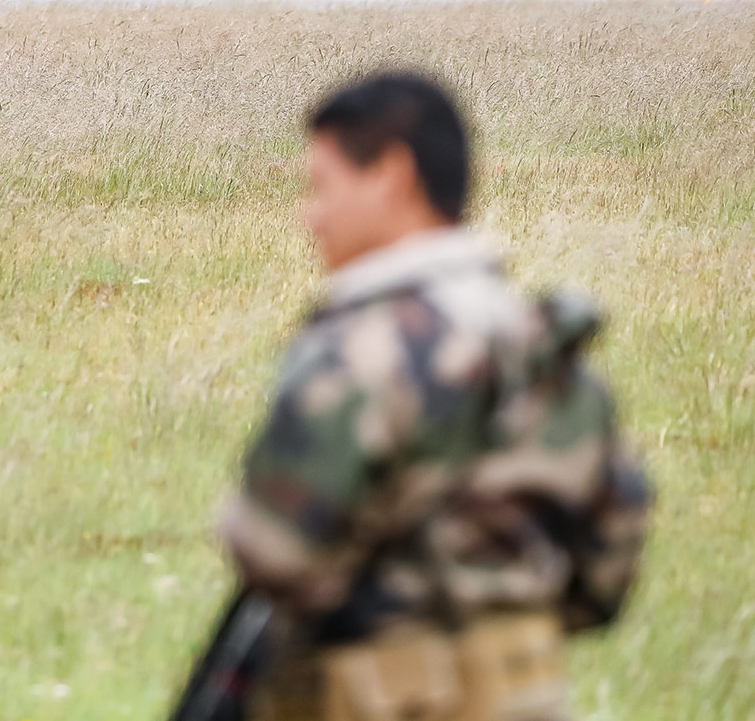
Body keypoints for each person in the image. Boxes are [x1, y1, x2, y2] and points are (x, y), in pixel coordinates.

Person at [195, 73, 650, 721]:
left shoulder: (359, 354)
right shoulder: (547, 350)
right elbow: (606, 575)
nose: (309, 216)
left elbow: (275, 555)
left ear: (391, 174)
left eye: (322, 187)